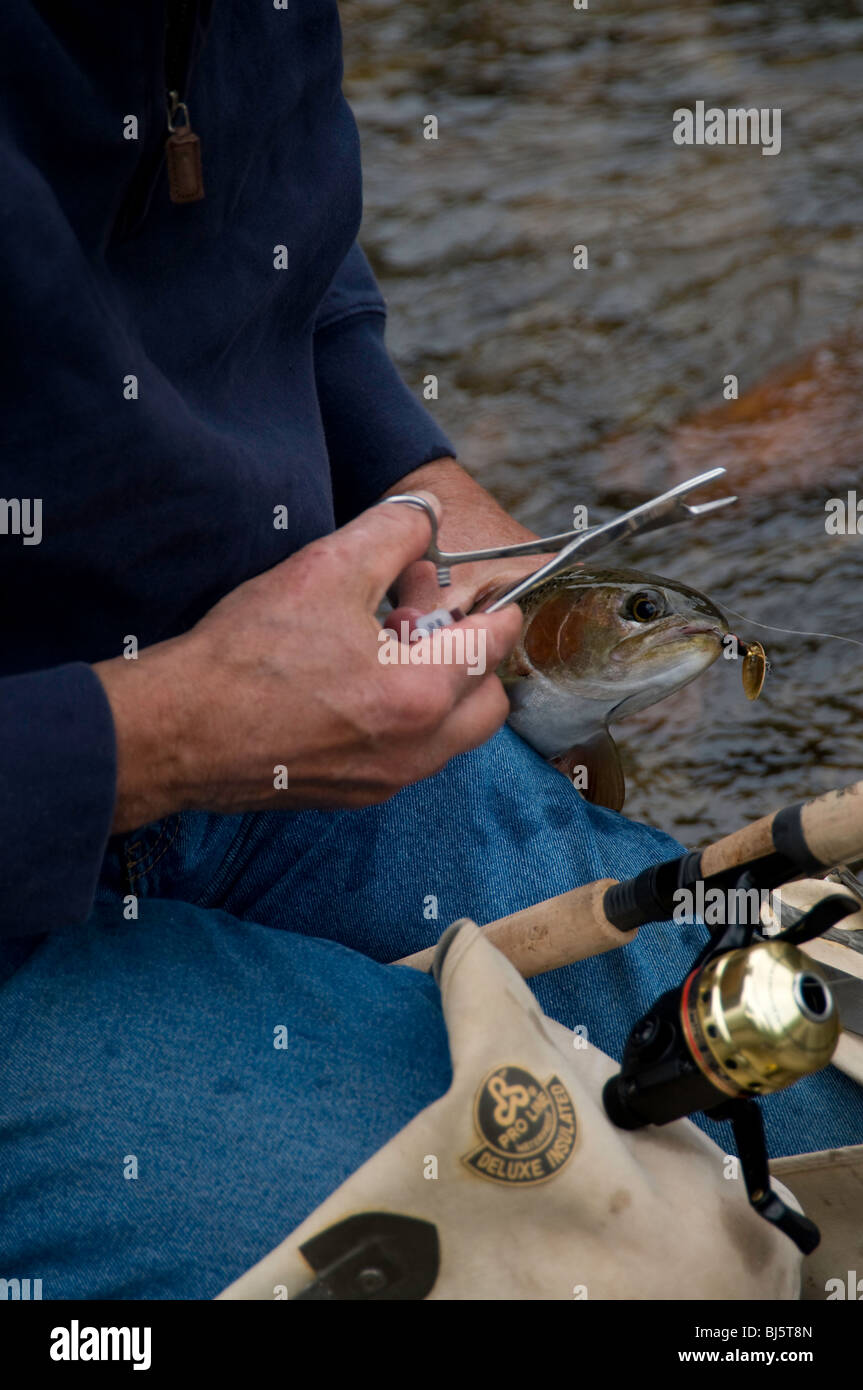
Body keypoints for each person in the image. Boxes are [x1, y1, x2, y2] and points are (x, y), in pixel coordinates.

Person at [1, 1, 860, 1300]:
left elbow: (262, 204)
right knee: (586, 1255)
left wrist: (402, 461)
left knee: (817, 1133)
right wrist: (151, 732)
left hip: (254, 733)